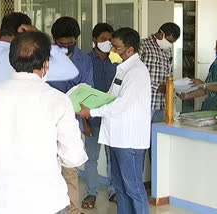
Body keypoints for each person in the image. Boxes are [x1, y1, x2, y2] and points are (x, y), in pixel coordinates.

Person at [0, 12, 79, 214]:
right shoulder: (57, 99)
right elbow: (70, 70)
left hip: (0, 199)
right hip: (46, 201)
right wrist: (42, 40)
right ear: (46, 64)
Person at [78, 27, 151, 214]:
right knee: (119, 187)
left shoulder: (137, 72)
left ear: (130, 50)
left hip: (129, 140)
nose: (112, 51)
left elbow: (121, 105)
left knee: (134, 189)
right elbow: (111, 98)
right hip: (116, 137)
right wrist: (90, 103)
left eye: (116, 47)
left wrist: (92, 112)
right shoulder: (122, 69)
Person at [48, 16, 94, 214]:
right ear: (53, 40)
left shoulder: (84, 59)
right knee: (48, 168)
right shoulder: (44, 57)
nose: (67, 47)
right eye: (61, 44)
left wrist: (84, 121)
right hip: (46, 123)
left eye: (71, 43)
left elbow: (87, 89)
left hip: (71, 122)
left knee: (70, 169)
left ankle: (72, 210)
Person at [81, 23, 116, 210]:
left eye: (110, 39)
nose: (107, 43)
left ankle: (113, 191)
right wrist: (84, 121)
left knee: (113, 157)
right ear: (94, 40)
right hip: (92, 118)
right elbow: (81, 92)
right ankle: (91, 193)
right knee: (92, 158)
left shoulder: (116, 61)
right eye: (103, 39)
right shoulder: (86, 61)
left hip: (111, 118)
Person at [139, 22, 180, 162]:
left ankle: (156, 181)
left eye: (173, 42)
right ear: (161, 34)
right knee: (141, 144)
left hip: (162, 104)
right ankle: (139, 181)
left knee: (158, 145)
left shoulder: (167, 50)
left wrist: (174, 88)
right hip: (145, 103)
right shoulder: (142, 45)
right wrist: (157, 87)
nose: (171, 44)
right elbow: (136, 75)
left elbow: (169, 74)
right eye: (170, 41)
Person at [178, 35, 217, 112]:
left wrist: (204, 85)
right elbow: (207, 88)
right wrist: (188, 95)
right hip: (210, 109)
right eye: (216, 48)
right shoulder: (216, 64)